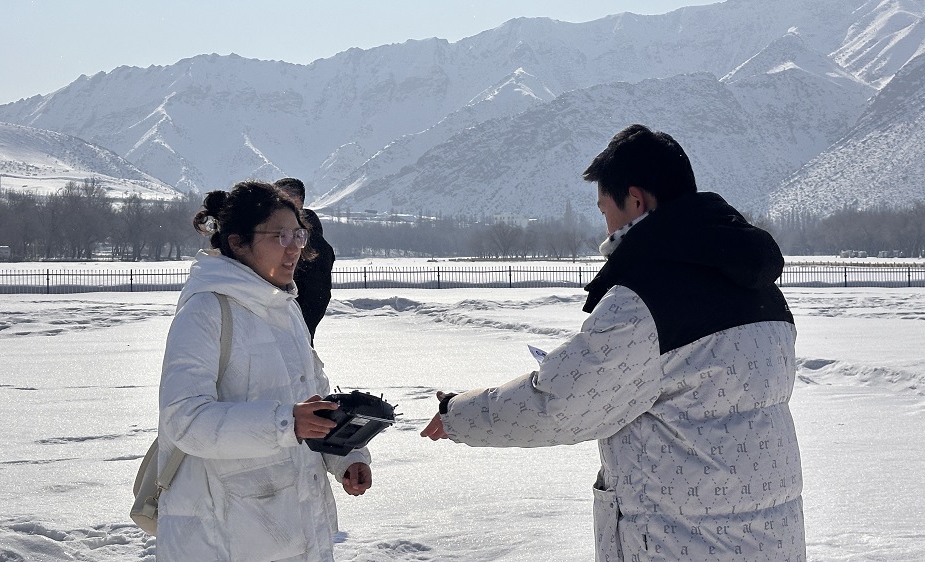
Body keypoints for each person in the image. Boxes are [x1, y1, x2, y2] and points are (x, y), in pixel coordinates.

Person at [421, 124, 805, 561]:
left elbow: (559, 406)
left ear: (635, 201)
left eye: (605, 210)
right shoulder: (762, 293)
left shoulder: (648, 298)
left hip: (679, 546)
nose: (604, 226)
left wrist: (458, 414)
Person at [156, 180, 372, 562]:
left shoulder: (285, 308)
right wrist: (285, 423)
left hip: (297, 528)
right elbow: (184, 419)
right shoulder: (206, 310)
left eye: (298, 234)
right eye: (280, 236)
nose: (295, 248)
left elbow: (311, 403)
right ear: (238, 242)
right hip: (223, 537)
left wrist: (347, 456)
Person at [274, 177, 336, 343]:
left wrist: (300, 329)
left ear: (299, 201)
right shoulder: (276, 236)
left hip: (295, 333)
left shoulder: (314, 244)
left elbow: (317, 295)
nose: (280, 204)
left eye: (286, 198)